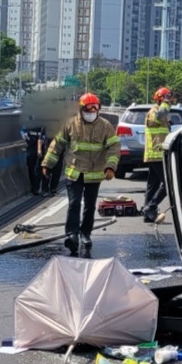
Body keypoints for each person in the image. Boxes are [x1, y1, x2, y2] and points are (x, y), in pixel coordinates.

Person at [41, 92, 119, 257]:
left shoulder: (105, 126)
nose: (91, 112)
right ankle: (72, 235)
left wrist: (110, 167)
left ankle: (85, 234)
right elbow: (57, 145)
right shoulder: (70, 124)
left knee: (90, 207)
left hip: (94, 174)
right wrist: (47, 164)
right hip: (74, 172)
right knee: (74, 204)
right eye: (88, 109)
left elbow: (114, 147)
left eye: (95, 108)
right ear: (81, 109)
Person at [142, 86, 173, 222]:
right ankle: (151, 207)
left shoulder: (159, 113)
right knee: (168, 184)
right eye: (167, 100)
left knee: (153, 184)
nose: (169, 103)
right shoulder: (155, 112)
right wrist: (166, 102)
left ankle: (147, 214)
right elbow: (160, 114)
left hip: (157, 154)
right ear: (161, 100)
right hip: (157, 154)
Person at [21, 120, 46, 195]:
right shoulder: (28, 122)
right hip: (31, 147)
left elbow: (44, 135)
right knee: (30, 167)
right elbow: (23, 131)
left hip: (40, 147)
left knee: (38, 168)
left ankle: (36, 187)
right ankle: (34, 186)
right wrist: (28, 138)